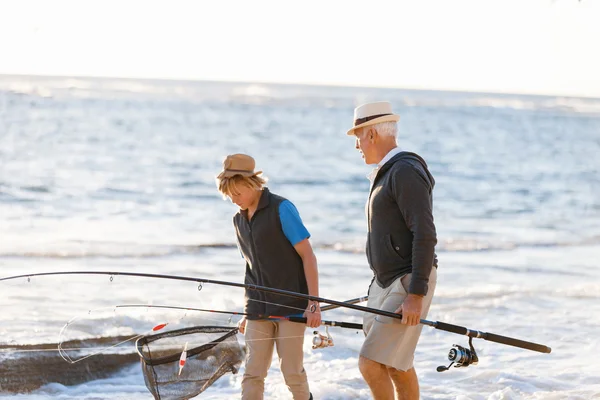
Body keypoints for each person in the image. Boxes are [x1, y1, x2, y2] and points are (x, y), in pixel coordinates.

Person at [346, 102, 438, 400]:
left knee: (370, 363)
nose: (357, 146)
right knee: (397, 365)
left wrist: (415, 294)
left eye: (358, 137)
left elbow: (425, 233)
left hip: (407, 280)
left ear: (371, 134)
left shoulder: (405, 171)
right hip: (385, 281)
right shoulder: (388, 172)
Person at [216, 153, 320, 400]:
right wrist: (246, 310)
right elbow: (250, 267)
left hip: (291, 307)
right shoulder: (238, 220)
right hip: (257, 309)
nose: (233, 199)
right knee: (252, 373)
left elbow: (308, 256)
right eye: (228, 194)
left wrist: (313, 303)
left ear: (251, 182)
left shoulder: (281, 209)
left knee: (291, 372)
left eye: (236, 192)